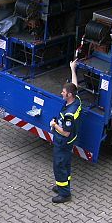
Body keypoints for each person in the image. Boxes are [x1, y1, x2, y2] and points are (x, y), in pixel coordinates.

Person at [49, 60, 81, 203]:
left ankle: (65, 194)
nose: (61, 93)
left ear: (69, 95)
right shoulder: (76, 100)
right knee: (65, 164)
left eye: (63, 92)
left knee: (59, 165)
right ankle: (63, 185)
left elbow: (66, 132)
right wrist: (72, 69)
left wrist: (54, 125)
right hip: (67, 143)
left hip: (63, 141)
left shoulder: (69, 114)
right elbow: (75, 86)